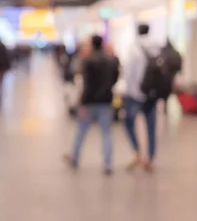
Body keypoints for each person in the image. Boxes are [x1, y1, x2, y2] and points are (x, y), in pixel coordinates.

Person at [65, 35, 120, 175]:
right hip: (106, 100)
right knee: (106, 132)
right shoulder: (111, 60)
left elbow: (87, 85)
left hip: (90, 102)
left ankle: (75, 156)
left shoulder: (88, 61)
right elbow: (115, 77)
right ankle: (108, 164)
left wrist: (82, 102)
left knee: (81, 129)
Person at [123, 24, 163, 173]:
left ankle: (137, 152)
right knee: (151, 126)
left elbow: (129, 74)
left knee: (128, 123)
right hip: (152, 93)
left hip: (135, 94)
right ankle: (150, 158)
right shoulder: (157, 48)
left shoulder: (134, 49)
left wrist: (127, 91)